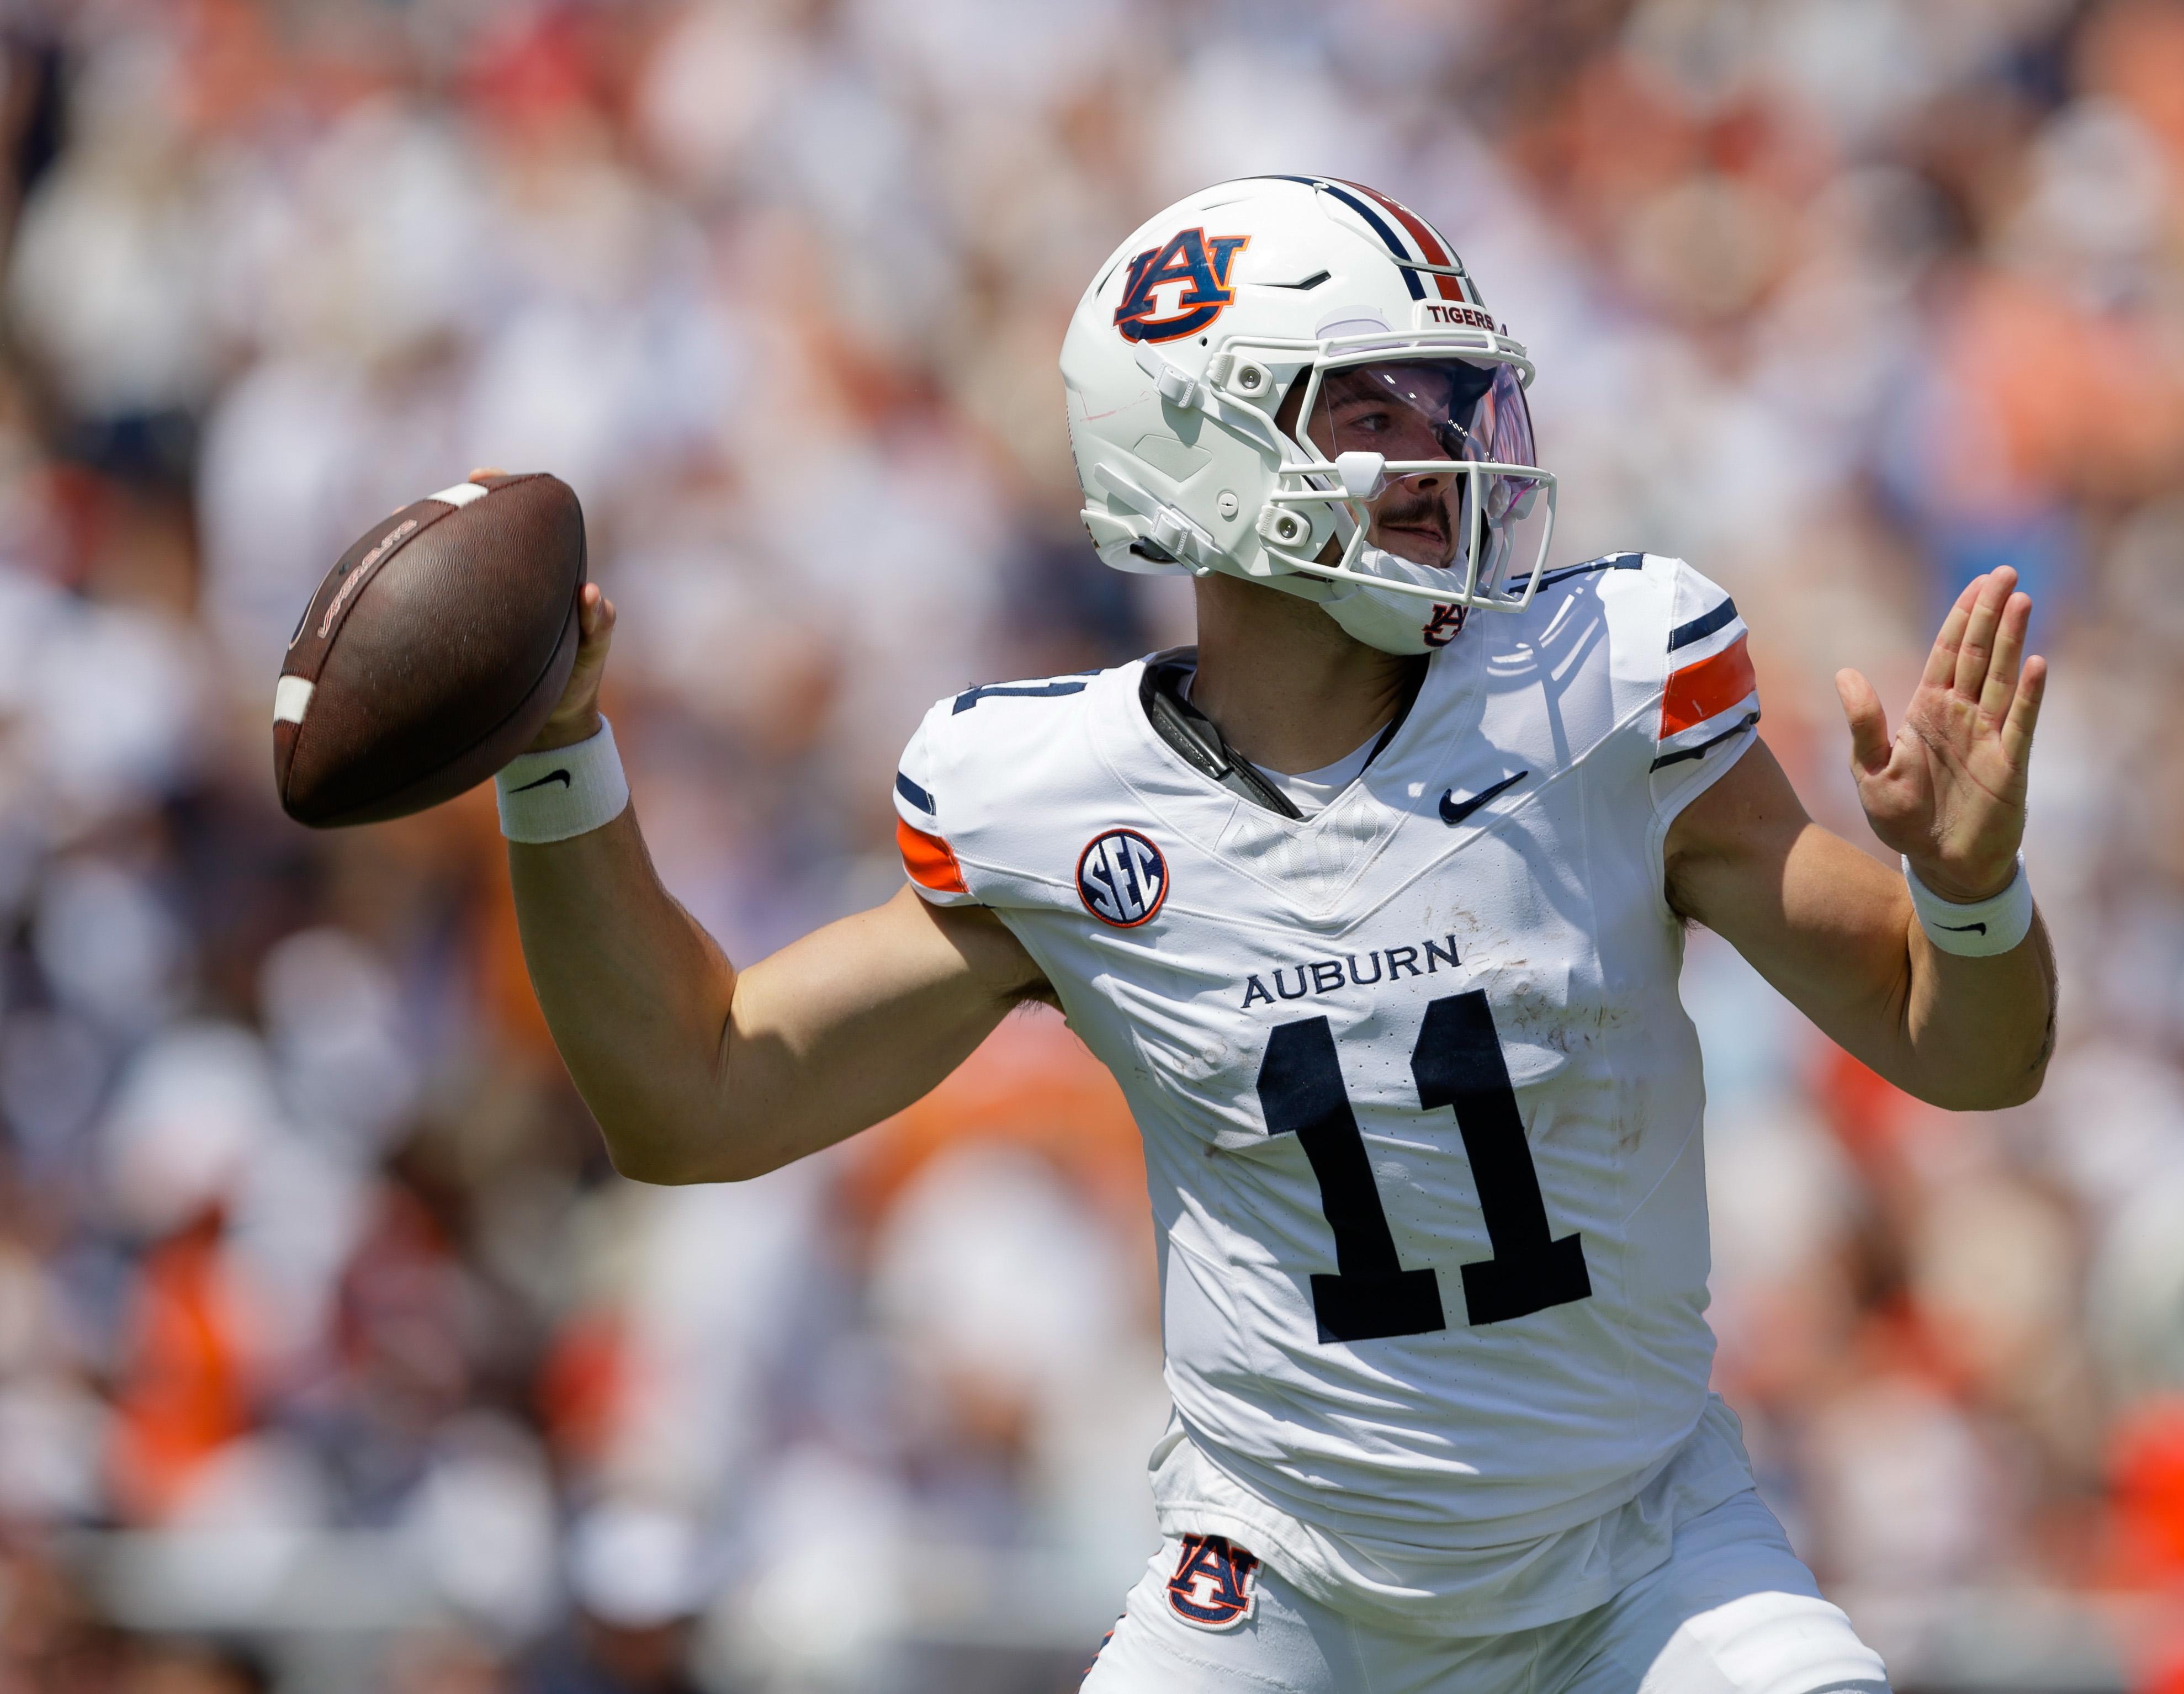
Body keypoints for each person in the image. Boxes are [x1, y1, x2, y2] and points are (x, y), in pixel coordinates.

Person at [491, 177, 2055, 1693]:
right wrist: (557, 764)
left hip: (1642, 1560)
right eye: (1372, 411)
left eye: (1447, 406)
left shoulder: (1596, 694)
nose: (1437, 458)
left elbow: (1969, 1056)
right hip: (1281, 1596)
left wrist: (1966, 888)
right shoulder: (1053, 804)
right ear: (1197, 451)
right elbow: (695, 1100)